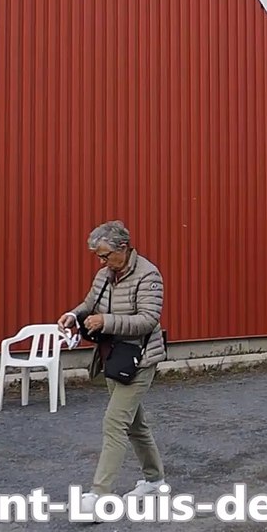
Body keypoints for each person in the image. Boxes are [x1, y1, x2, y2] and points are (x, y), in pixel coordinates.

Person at [57, 220, 168, 513]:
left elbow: (149, 319)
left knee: (114, 423)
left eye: (105, 255)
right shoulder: (104, 274)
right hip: (111, 357)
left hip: (139, 359)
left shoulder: (149, 275)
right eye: (98, 256)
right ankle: (155, 481)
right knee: (134, 424)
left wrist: (106, 321)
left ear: (123, 247)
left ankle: (97, 497)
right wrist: (73, 314)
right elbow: (90, 303)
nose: (102, 261)